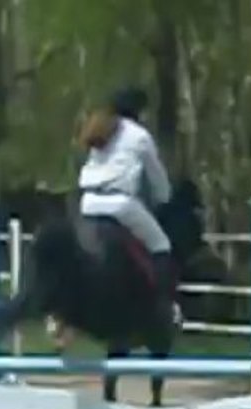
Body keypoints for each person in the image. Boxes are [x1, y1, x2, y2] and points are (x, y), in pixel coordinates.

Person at [76, 86, 182, 326]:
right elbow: (157, 177)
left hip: (89, 202)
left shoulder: (101, 128)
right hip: (120, 204)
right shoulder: (139, 136)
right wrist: (164, 198)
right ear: (138, 111)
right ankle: (167, 307)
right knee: (161, 245)